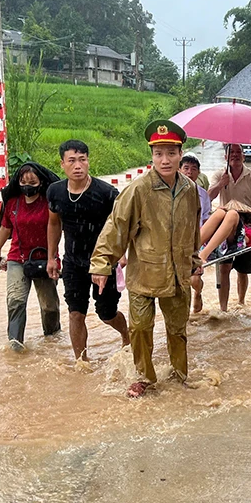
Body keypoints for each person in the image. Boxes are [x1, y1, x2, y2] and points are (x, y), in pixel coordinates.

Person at [90, 120, 202, 398]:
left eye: (171, 153)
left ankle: (179, 374)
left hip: (178, 274)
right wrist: (102, 264)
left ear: (180, 154)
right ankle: (144, 377)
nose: (165, 160)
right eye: (159, 154)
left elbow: (193, 227)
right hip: (144, 273)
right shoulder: (138, 189)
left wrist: (195, 261)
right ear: (152, 156)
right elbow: (116, 227)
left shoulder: (189, 189)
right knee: (140, 327)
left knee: (178, 328)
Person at [46, 139, 129, 361]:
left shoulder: (106, 193)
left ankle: (126, 335)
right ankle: (81, 362)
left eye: (82, 160)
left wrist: (121, 254)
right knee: (75, 312)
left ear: (88, 162)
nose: (78, 166)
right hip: (73, 261)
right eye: (72, 161)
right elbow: (54, 223)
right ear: (62, 164)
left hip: (104, 261)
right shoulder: (55, 192)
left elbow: (121, 224)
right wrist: (51, 257)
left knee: (106, 313)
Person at [0, 162, 61, 351]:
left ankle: (53, 340)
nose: (27, 186)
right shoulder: (13, 203)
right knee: (16, 300)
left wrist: (53, 258)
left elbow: (57, 228)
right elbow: (6, 227)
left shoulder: (49, 202)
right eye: (23, 182)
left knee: (49, 306)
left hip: (45, 259)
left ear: (41, 182)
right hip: (17, 258)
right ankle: (15, 344)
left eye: (32, 181)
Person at [206, 143, 251, 310]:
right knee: (224, 268)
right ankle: (223, 309)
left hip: (247, 227)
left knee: (243, 270)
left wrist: (247, 216)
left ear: (244, 156)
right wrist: (220, 184)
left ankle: (241, 303)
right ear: (225, 157)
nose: (235, 155)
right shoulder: (219, 174)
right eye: (231, 152)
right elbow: (207, 199)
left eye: (238, 152)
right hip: (225, 229)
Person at [179, 153, 211, 225]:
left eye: (194, 169)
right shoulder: (173, 191)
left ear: (198, 172)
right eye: (186, 168)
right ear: (179, 170)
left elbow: (206, 218)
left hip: (199, 232)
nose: (190, 172)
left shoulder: (204, 194)